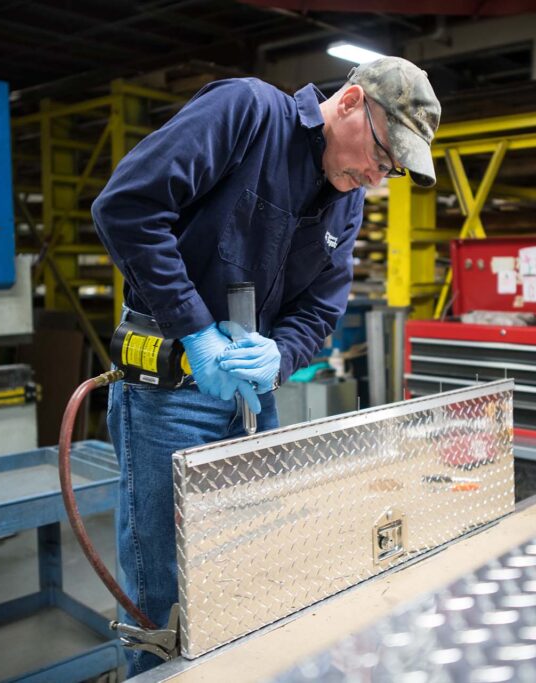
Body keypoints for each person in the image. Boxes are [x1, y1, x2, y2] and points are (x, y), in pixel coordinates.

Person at [91, 56, 440, 674]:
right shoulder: (247, 113)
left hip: (252, 396)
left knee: (254, 567)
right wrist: (196, 331)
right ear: (352, 102)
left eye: (388, 171)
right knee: (167, 596)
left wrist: (280, 358)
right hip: (170, 394)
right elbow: (127, 208)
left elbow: (319, 308)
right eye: (380, 157)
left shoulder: (346, 199)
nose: (375, 178)